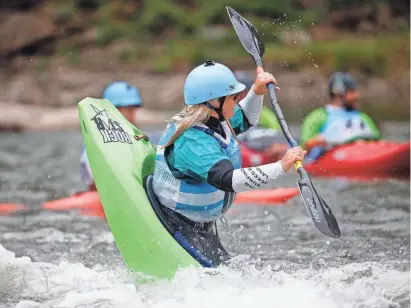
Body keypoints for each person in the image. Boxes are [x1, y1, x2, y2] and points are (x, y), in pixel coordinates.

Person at [150, 61, 306, 264]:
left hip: (201, 224)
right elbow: (227, 179)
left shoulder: (214, 118)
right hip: (179, 224)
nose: (238, 100)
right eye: (234, 97)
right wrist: (280, 167)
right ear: (214, 101)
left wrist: (256, 92)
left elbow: (246, 118)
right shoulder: (192, 141)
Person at [300, 72, 381, 161]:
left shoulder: (364, 117)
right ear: (338, 93)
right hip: (334, 158)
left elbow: (380, 143)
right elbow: (302, 151)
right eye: (351, 91)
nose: (357, 96)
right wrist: (313, 143)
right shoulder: (318, 117)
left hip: (365, 154)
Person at [80, 81, 143, 190]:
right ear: (111, 110)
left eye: (133, 109)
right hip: (103, 192)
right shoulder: (98, 140)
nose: (133, 115)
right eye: (128, 109)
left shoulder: (135, 138)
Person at [234, 71, 288, 157]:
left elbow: (279, 142)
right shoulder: (223, 113)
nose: (238, 96)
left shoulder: (266, 115)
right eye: (235, 92)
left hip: (257, 154)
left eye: (243, 91)